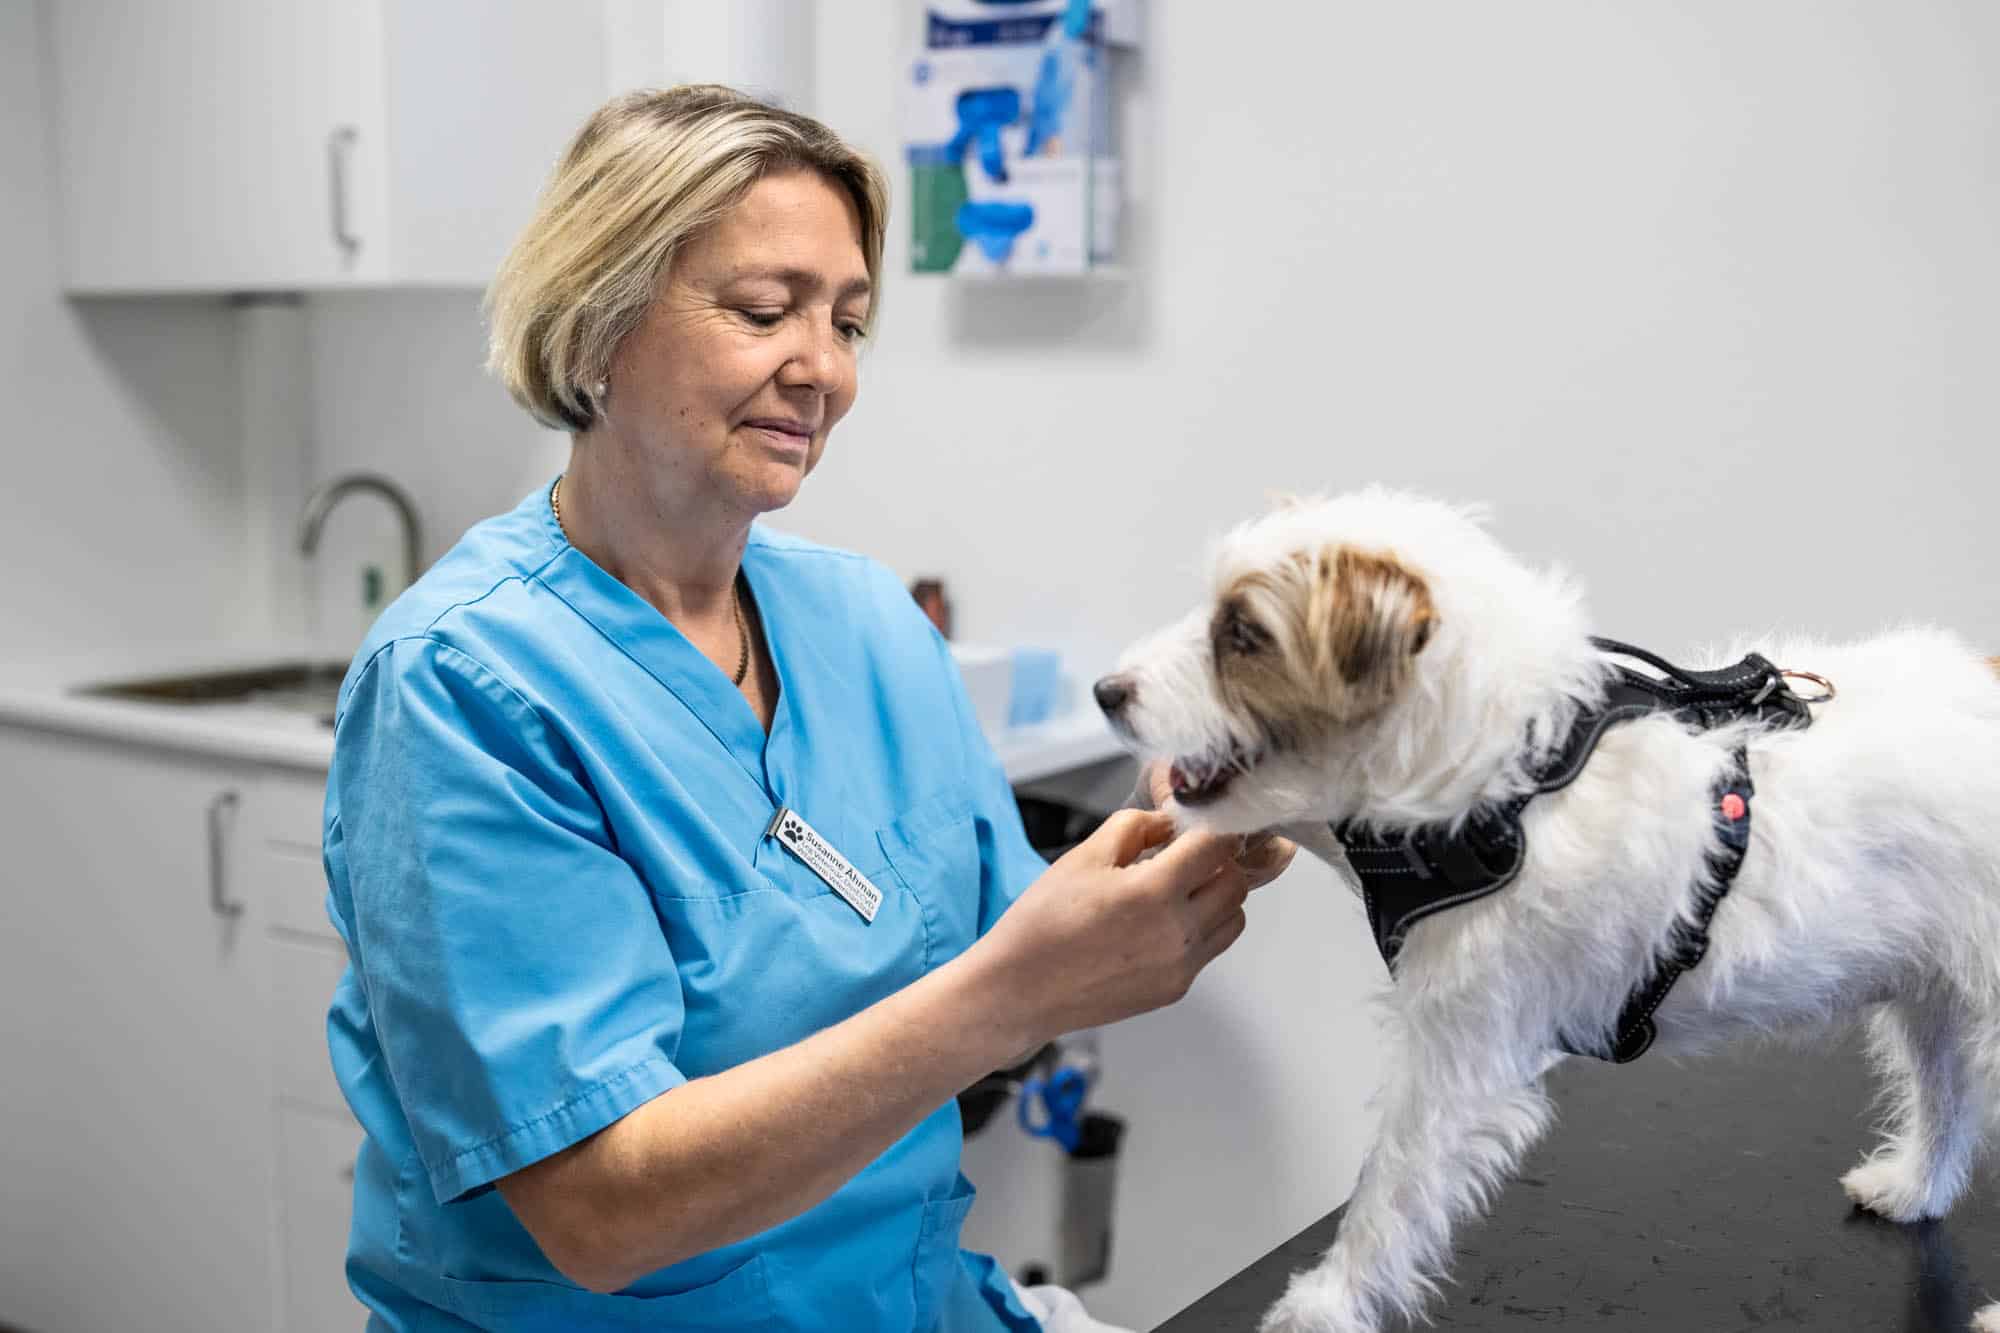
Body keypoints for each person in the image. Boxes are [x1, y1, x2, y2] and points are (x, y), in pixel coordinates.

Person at [322, 84, 1296, 1332]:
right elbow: (603, 1212)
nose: (822, 369)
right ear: (595, 317)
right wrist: (1012, 990)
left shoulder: (869, 628)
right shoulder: (461, 688)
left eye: (847, 323)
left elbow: (1016, 969)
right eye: (763, 311)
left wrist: (1175, 836)